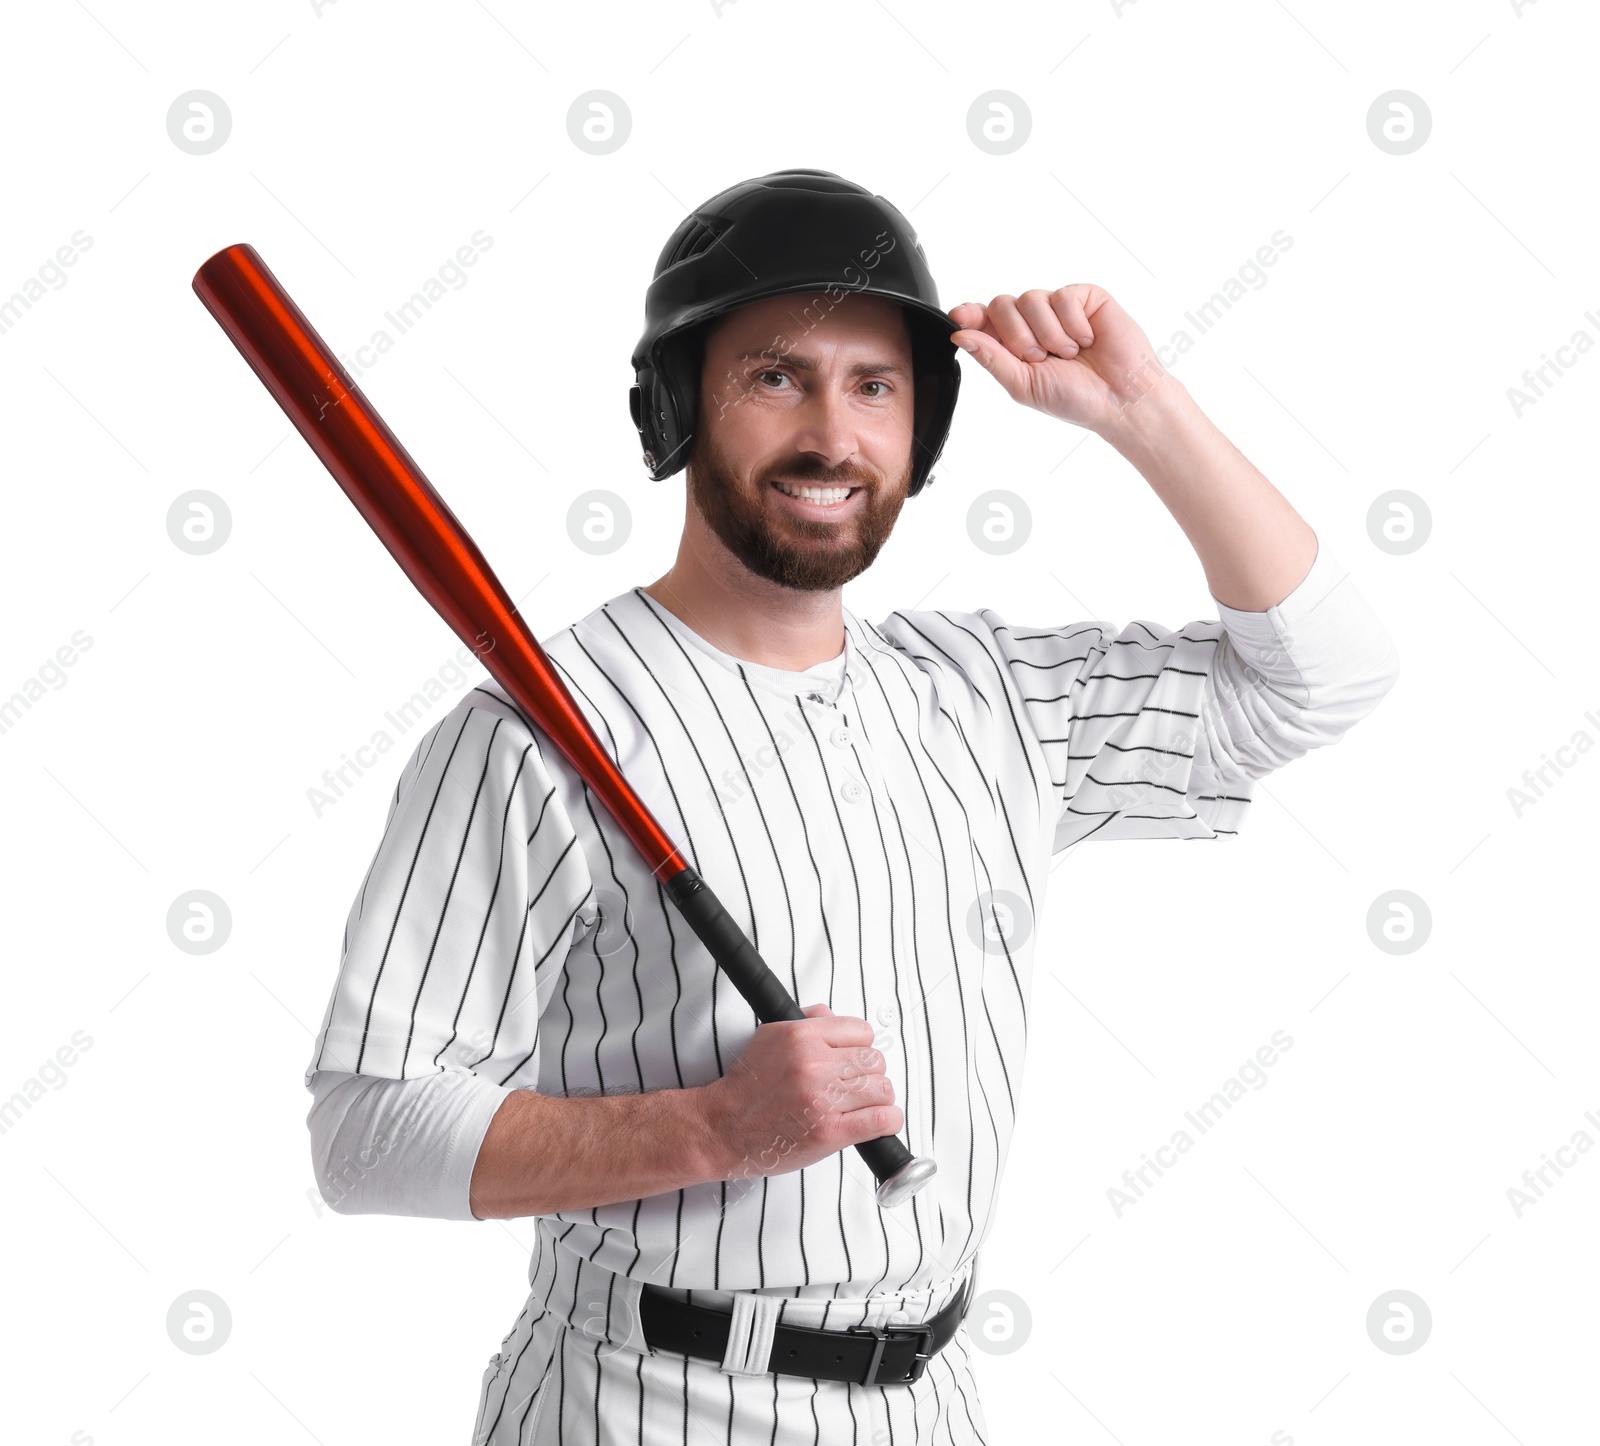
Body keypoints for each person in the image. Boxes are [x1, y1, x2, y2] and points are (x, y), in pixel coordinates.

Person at [303, 169, 1400, 1444]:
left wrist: (1143, 411)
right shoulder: (533, 737)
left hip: (928, 1405)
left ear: (920, 432)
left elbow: (1326, 675)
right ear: (677, 409)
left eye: (874, 386)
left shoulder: (986, 695)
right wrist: (713, 1127)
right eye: (776, 376)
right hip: (641, 1402)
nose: (832, 434)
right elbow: (367, 1133)